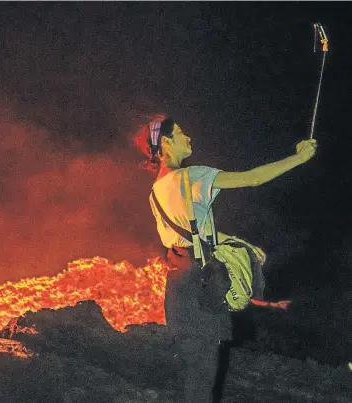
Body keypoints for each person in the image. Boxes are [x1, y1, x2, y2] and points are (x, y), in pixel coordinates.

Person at [135, 115, 317, 403]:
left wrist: (233, 243)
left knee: (195, 373)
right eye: (182, 133)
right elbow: (253, 178)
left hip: (178, 287)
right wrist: (298, 158)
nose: (190, 138)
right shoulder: (194, 176)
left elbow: (187, 236)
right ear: (166, 143)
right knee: (203, 377)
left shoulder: (155, 192)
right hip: (203, 283)